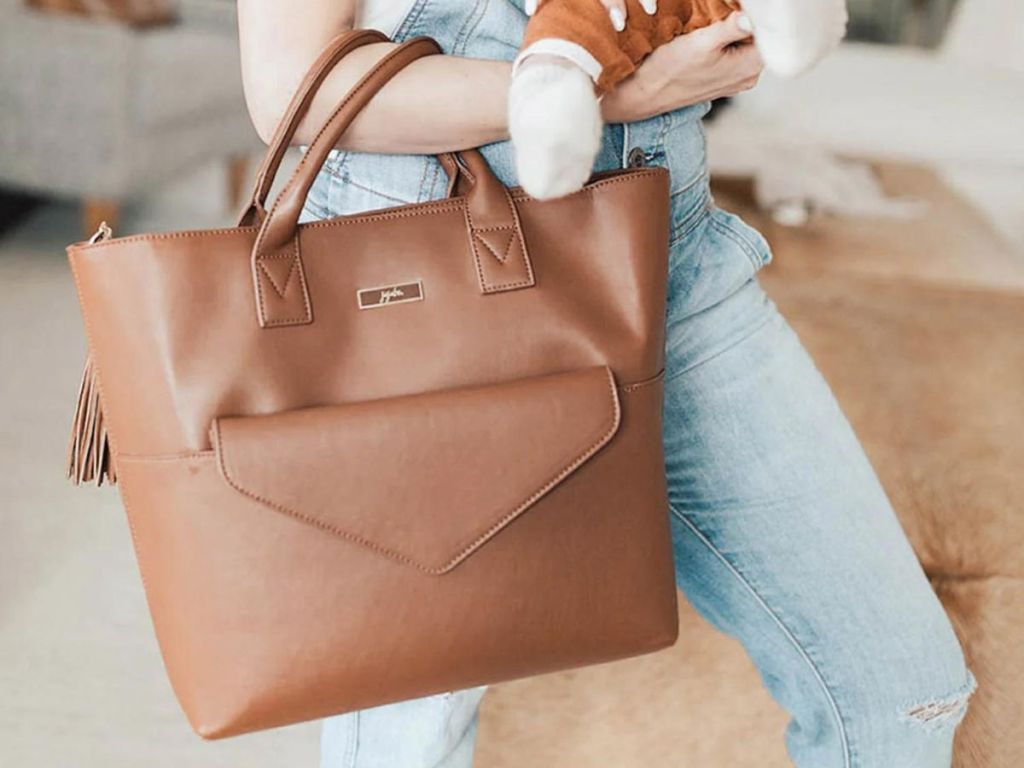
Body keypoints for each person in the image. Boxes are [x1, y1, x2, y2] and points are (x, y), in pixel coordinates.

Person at [237, 2, 975, 766]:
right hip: (427, 274)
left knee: (901, 691)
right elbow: (290, 87)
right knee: (410, 732)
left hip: (667, 249)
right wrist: (608, 91)